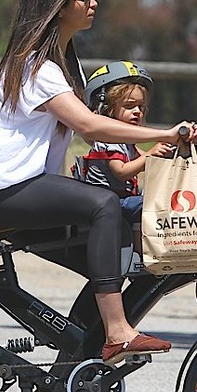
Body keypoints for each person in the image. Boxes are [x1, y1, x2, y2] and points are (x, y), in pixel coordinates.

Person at [0, 0, 197, 392]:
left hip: (12, 190)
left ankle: (62, 387)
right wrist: (160, 133)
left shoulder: (61, 65)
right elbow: (89, 127)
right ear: (57, 5)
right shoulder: (36, 68)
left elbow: (94, 139)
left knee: (107, 258)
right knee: (102, 206)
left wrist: (152, 150)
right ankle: (117, 331)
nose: (93, 3)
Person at [74, 60, 172, 254]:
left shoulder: (125, 140)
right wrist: (151, 155)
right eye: (130, 106)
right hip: (108, 201)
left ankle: (144, 250)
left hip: (120, 198)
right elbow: (121, 172)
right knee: (148, 203)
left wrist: (166, 154)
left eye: (141, 107)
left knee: (152, 198)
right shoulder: (109, 139)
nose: (137, 112)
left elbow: (143, 159)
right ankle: (142, 253)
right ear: (106, 109)